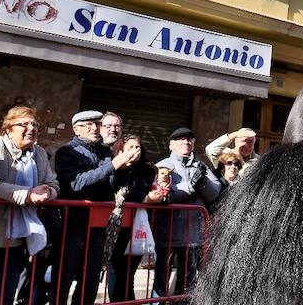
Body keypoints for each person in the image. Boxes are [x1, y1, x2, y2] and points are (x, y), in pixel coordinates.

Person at [0, 106, 58, 305]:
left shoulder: (39, 154)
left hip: (17, 239)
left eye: (34, 124)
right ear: (8, 128)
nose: (31, 128)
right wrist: (28, 195)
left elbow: (53, 183)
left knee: (3, 296)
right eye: (24, 124)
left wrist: (47, 193)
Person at [54, 110, 136, 305]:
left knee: (91, 278)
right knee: (64, 276)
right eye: (88, 124)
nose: (94, 128)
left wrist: (124, 169)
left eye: (96, 124)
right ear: (76, 129)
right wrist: (113, 166)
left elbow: (111, 184)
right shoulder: (66, 151)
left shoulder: (105, 151)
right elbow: (76, 183)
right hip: (73, 223)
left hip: (98, 223)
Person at [153, 127, 221, 297]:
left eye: (189, 140)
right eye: (181, 139)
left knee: (186, 285)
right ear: (171, 145)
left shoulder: (200, 165)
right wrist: (190, 187)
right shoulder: (163, 166)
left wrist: (203, 181)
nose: (186, 142)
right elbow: (164, 195)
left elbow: (215, 194)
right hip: (168, 234)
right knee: (161, 283)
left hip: (193, 236)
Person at [108, 135, 162, 302]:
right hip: (115, 227)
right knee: (116, 271)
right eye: (130, 147)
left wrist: (152, 197)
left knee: (128, 273)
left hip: (136, 226)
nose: (135, 151)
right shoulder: (113, 169)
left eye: (137, 147)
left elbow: (140, 192)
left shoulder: (148, 170)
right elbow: (116, 192)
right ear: (120, 150)